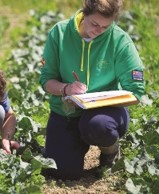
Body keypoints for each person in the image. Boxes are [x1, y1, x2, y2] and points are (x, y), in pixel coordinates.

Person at [39, 0, 144, 180]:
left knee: (98, 126)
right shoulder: (60, 32)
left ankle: (110, 152)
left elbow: (136, 88)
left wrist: (111, 99)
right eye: (94, 24)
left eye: (105, 27)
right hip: (67, 111)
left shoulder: (119, 40)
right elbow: (46, 80)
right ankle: (72, 146)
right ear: (84, 13)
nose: (98, 30)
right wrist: (66, 88)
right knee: (64, 173)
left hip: (104, 114)